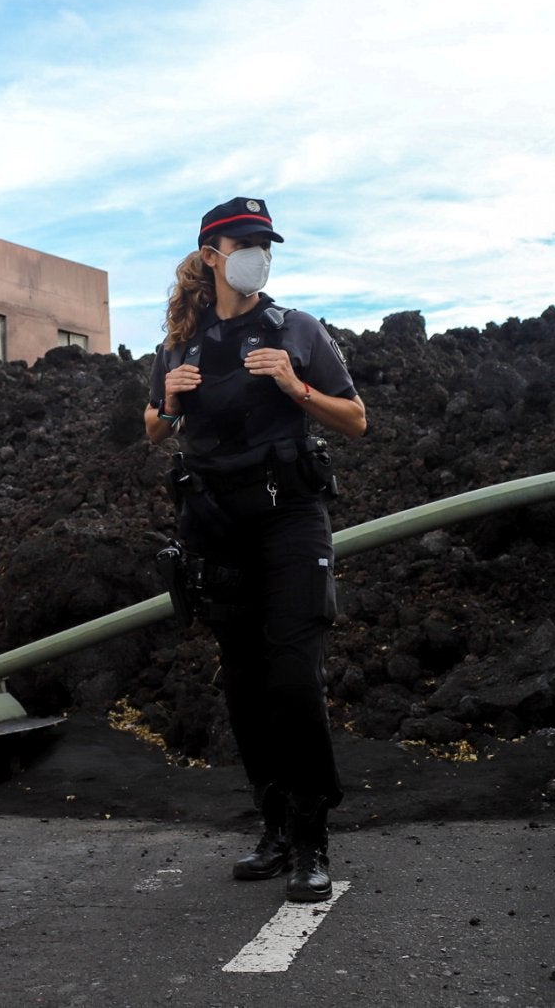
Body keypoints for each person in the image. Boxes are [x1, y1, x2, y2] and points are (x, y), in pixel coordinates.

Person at [145, 196, 366, 903]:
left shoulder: (297, 329)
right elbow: (151, 427)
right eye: (245, 242)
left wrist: (293, 385)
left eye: (266, 243)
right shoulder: (180, 343)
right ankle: (271, 828)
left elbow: (357, 419)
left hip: (292, 518)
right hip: (217, 524)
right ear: (211, 255)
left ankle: (312, 837)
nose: (258, 253)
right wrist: (167, 404)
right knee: (243, 684)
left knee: (293, 675)